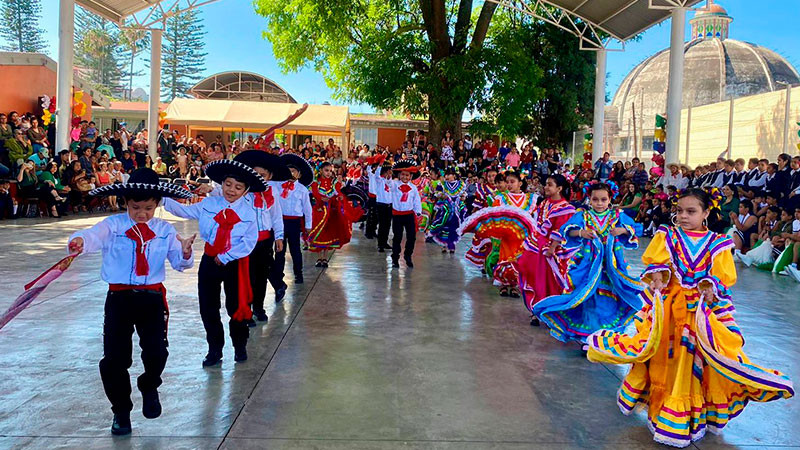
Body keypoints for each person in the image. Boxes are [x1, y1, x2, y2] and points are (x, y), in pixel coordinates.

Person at [586, 189, 794, 448]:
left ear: (706, 213)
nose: (683, 216)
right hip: (670, 310)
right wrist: (658, 279)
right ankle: (666, 412)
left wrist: (710, 288)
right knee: (666, 358)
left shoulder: (718, 244)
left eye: (691, 211)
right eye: (680, 211)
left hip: (700, 313)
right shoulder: (667, 235)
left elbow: (722, 278)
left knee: (698, 360)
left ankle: (692, 415)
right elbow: (656, 266)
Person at [67, 168, 195, 436]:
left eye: (149, 208)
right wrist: (79, 240)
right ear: (125, 203)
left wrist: (184, 251)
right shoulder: (113, 226)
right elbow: (92, 236)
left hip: (152, 298)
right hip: (119, 298)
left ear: (157, 205)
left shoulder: (164, 229)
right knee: (114, 359)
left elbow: (180, 264)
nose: (142, 214)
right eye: (136, 207)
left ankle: (149, 384)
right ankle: (121, 411)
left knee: (157, 352)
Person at [163, 159, 265, 366]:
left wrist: (226, 256)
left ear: (246, 190)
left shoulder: (248, 212)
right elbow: (184, 211)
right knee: (208, 306)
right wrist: (162, 199)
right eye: (228, 184)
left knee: (235, 307)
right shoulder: (209, 204)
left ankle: (239, 346)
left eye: (238, 187)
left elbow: (249, 241)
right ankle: (215, 349)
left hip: (234, 263)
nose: (231, 190)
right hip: (209, 261)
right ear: (221, 184)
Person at [533, 182, 643, 348]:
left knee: (608, 298)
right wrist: (581, 232)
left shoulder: (617, 215)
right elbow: (566, 230)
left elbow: (637, 228)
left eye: (603, 199)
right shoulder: (583, 215)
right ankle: (589, 337)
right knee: (589, 297)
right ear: (589, 199)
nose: (599, 203)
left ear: (610, 199)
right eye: (595, 199)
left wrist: (622, 230)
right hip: (588, 263)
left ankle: (603, 334)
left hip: (610, 265)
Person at [516, 174, 576, 326]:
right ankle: (536, 309)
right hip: (537, 245)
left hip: (552, 250)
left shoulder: (565, 208)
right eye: (546, 184)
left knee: (549, 281)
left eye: (550, 184)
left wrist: (552, 248)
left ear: (560, 188)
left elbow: (562, 230)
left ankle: (550, 311)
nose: (546, 187)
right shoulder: (544, 203)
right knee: (533, 276)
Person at [307, 161, 362, 267]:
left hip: (331, 213)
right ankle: (319, 258)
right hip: (319, 212)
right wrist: (321, 198)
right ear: (321, 170)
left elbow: (337, 193)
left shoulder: (334, 182)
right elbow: (315, 193)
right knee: (320, 234)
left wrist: (340, 197)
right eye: (326, 170)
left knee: (328, 234)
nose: (328, 173)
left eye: (330, 171)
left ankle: (325, 259)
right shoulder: (315, 182)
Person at [271, 152, 313, 285]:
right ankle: (278, 275)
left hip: (294, 223)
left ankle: (298, 273)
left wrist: (308, 225)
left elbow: (307, 209)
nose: (291, 174)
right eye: (288, 171)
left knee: (295, 250)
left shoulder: (302, 190)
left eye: (294, 172)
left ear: (299, 174)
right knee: (279, 250)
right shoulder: (277, 185)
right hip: (280, 221)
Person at [390, 159, 422, 268]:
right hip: (397, 215)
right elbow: (388, 183)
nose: (405, 177)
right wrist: (389, 177)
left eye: (407, 175)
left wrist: (418, 211)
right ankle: (395, 258)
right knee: (397, 237)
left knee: (411, 237)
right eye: (403, 175)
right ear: (399, 175)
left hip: (409, 215)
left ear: (411, 176)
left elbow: (416, 200)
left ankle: (408, 255)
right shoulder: (394, 184)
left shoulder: (413, 188)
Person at [428, 169, 467, 254]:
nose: (447, 176)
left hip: (456, 208)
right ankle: (444, 245)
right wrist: (441, 195)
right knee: (444, 225)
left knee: (454, 226)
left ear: (454, 176)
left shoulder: (461, 184)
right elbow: (437, 193)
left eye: (449, 174)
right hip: (445, 208)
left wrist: (463, 197)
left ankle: (452, 245)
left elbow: (464, 194)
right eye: (446, 175)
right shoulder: (442, 184)